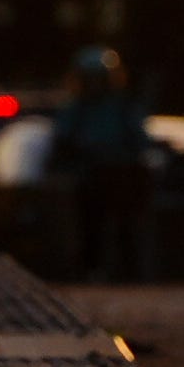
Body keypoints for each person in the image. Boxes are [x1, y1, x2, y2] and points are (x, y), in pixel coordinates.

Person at [54, 43, 155, 283]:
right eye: (90, 79)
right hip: (89, 177)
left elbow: (140, 141)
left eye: (100, 78)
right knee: (90, 226)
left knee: (127, 226)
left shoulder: (124, 107)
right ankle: (91, 270)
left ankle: (131, 271)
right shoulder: (75, 109)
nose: (95, 84)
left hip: (122, 176)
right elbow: (63, 142)